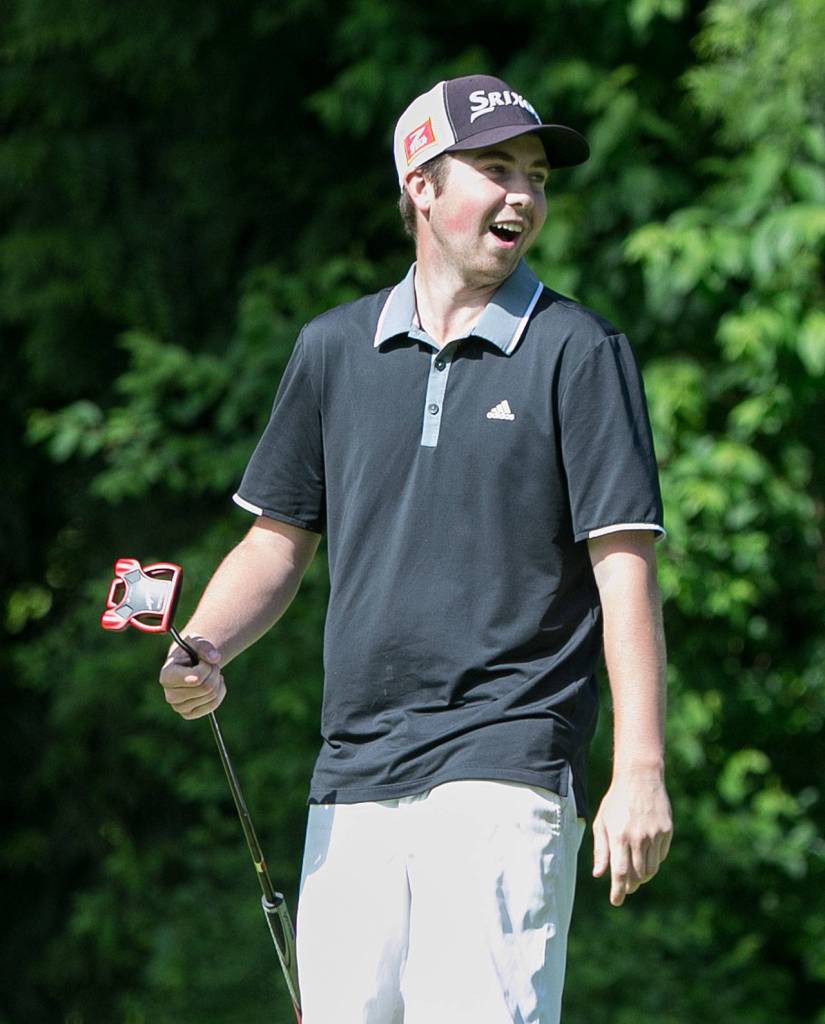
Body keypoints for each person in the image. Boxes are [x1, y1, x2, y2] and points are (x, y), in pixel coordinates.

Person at [159, 74, 673, 1024]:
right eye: (494, 168)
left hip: (506, 757)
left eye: (535, 176)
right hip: (352, 771)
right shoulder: (332, 350)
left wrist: (637, 766)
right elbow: (275, 541)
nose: (522, 194)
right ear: (421, 185)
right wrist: (205, 646)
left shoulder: (578, 349)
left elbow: (623, 566)